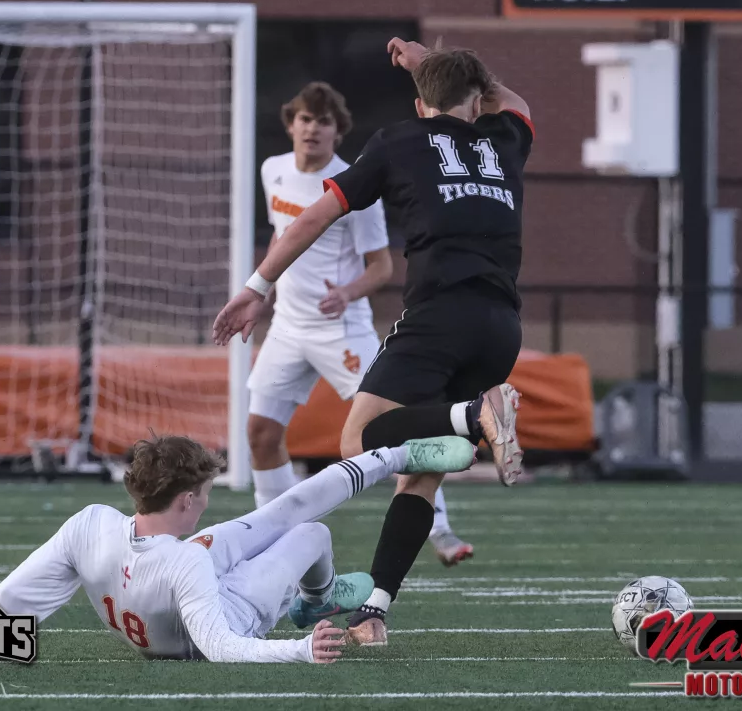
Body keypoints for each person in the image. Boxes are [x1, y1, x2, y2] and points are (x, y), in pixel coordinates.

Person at [213, 38, 534, 647]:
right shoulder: (506, 137)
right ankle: (374, 612)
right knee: (422, 472)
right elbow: (508, 98)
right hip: (500, 328)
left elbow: (314, 216)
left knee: (358, 442)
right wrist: (431, 62)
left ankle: (474, 416)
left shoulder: (398, 140)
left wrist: (257, 287)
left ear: (419, 105)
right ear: (476, 104)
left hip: (437, 317)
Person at [0, 433, 477, 663]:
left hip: (163, 590)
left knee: (282, 513)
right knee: (310, 534)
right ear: (187, 500)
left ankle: (397, 454)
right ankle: (317, 601)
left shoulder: (91, 524)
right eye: (205, 492)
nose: (207, 501)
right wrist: (300, 649)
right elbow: (221, 646)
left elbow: (12, 600)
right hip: (222, 616)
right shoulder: (184, 561)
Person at [250, 81, 474, 567]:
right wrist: (263, 294)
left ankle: (440, 529)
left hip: (342, 331)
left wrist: (346, 293)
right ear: (290, 124)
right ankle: (271, 536)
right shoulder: (273, 170)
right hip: (287, 328)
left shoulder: (353, 184)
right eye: (305, 119)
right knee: (260, 433)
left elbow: (381, 267)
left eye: (323, 121)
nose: (312, 129)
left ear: (338, 132)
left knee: (386, 431)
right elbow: (283, 238)